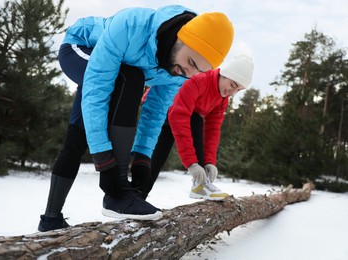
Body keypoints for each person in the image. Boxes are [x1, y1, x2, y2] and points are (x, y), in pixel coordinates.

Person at [38, 5, 234, 232]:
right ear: (180, 38)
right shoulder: (131, 26)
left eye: (198, 71)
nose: (189, 74)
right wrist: (105, 161)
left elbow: (155, 111)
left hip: (117, 70)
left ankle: (50, 219)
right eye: (191, 62)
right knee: (129, 78)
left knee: (78, 133)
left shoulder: (181, 71)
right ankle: (116, 193)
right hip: (81, 46)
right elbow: (97, 92)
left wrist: (143, 158)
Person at [148, 54, 254, 200]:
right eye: (233, 85)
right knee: (195, 119)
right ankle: (200, 185)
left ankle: (137, 196)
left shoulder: (222, 99)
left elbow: (212, 130)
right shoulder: (199, 80)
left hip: (173, 114)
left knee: (157, 158)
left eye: (239, 90)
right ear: (223, 74)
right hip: (158, 107)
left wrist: (210, 161)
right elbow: (179, 116)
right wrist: (192, 163)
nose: (233, 92)